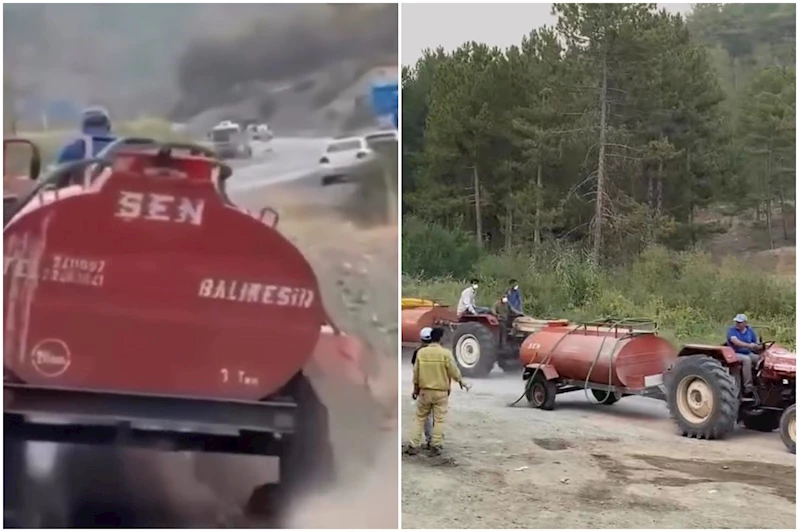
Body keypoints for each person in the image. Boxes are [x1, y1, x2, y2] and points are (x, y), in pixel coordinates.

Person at [407, 327, 470, 456]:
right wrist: (461, 382)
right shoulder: (445, 353)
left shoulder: (421, 353)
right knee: (439, 419)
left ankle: (413, 445)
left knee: (420, 418)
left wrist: (415, 389)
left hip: (424, 391)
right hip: (441, 392)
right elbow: (454, 370)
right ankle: (435, 446)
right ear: (440, 338)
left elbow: (416, 373)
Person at [726, 314, 760, 395]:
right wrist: (749, 345)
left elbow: (755, 342)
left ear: (745, 323)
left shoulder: (750, 331)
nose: (737, 324)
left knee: (760, 359)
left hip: (748, 352)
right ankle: (748, 386)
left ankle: (761, 382)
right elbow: (735, 342)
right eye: (736, 322)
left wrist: (757, 346)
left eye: (739, 322)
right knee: (746, 360)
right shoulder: (732, 331)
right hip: (735, 353)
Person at [411, 327, 434, 447]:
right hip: (440, 389)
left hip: (424, 388)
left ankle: (428, 439)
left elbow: (416, 372)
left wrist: (415, 389)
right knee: (438, 416)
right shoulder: (442, 352)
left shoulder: (418, 352)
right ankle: (436, 439)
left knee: (424, 416)